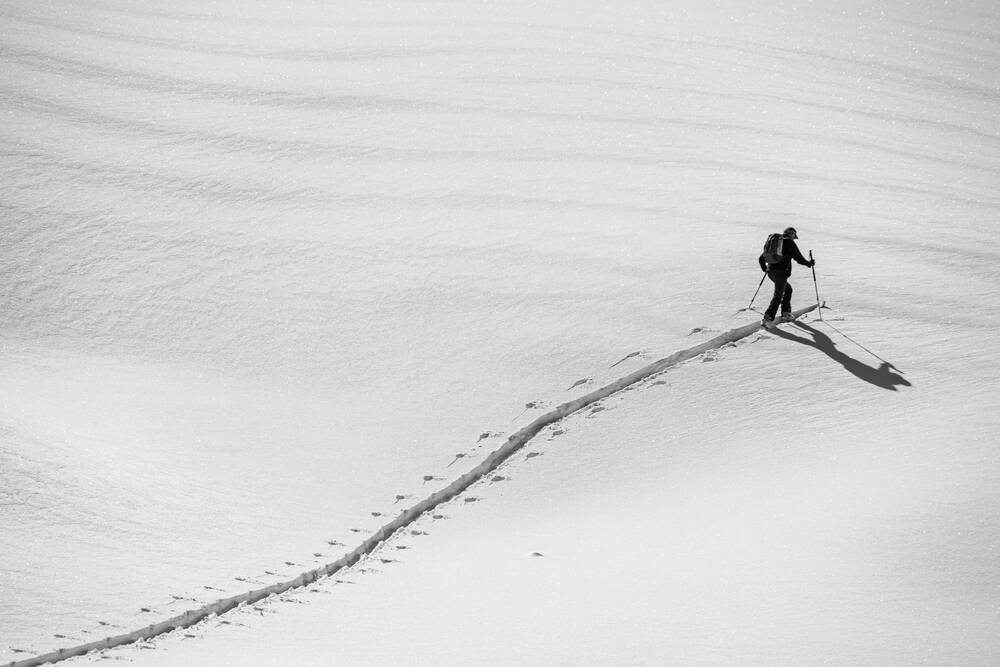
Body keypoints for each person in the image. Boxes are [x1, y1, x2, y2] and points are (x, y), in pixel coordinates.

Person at [758, 227, 815, 326]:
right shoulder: (789, 242)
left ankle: (786, 313)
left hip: (771, 272)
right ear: (791, 234)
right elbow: (798, 258)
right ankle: (767, 318)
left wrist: (766, 269)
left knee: (787, 290)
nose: (794, 238)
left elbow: (761, 258)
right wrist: (809, 263)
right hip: (781, 273)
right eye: (794, 235)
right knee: (778, 295)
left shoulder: (775, 243)